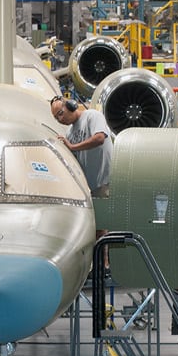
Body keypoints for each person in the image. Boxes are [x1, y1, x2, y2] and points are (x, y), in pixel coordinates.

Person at [51, 96, 113, 248]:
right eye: (56, 117)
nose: (60, 119)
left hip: (104, 180)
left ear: (71, 106)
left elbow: (99, 138)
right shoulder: (70, 133)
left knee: (102, 227)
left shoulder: (92, 116)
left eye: (60, 113)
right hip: (88, 186)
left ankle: (105, 264)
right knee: (94, 228)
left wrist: (72, 147)